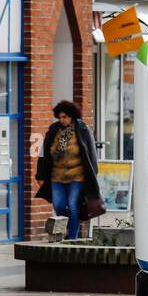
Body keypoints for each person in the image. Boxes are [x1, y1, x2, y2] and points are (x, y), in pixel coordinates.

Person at [35, 100, 100, 240]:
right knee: (58, 205)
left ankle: (72, 237)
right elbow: (44, 152)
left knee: (73, 206)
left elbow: (91, 154)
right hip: (56, 176)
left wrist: (93, 174)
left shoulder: (82, 129)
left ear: (72, 116)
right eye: (59, 117)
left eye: (64, 117)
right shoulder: (53, 130)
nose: (61, 120)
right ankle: (68, 224)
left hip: (77, 177)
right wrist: (40, 175)